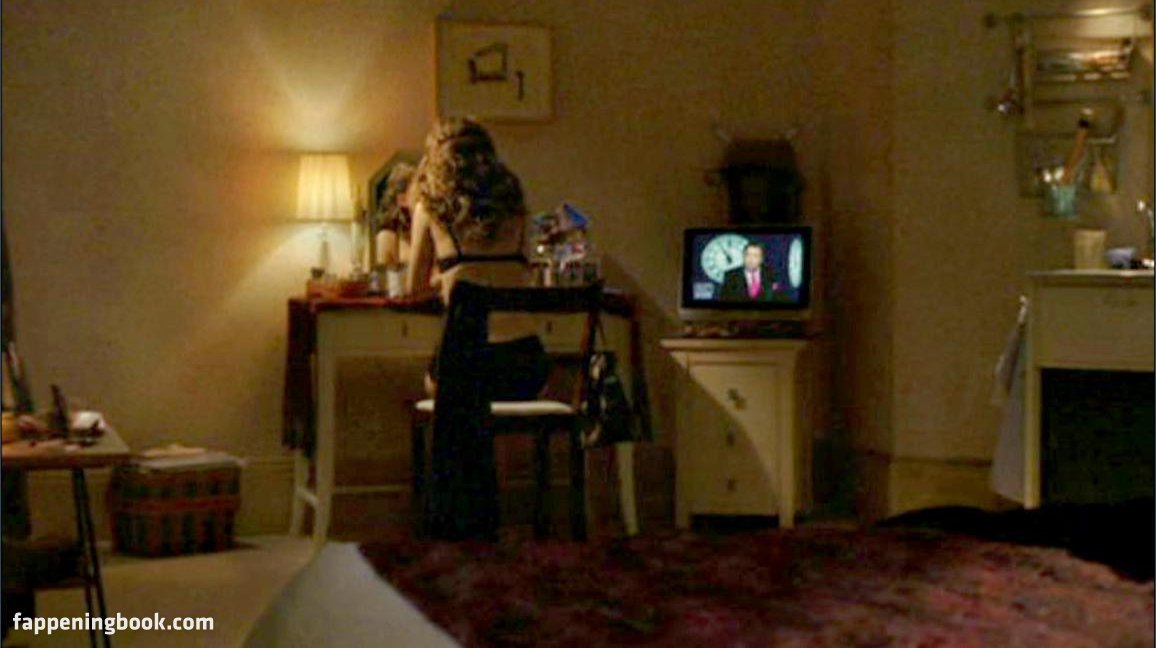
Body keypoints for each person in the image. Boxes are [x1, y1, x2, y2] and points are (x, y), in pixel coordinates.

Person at [405, 118, 547, 400]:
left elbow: (414, 288)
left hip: (465, 364)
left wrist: (447, 280)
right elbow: (522, 271)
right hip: (526, 363)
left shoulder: (429, 208)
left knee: (443, 392)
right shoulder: (514, 205)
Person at [374, 162, 415, 267]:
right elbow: (383, 274)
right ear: (402, 199)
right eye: (417, 193)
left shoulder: (421, 229)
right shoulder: (386, 237)